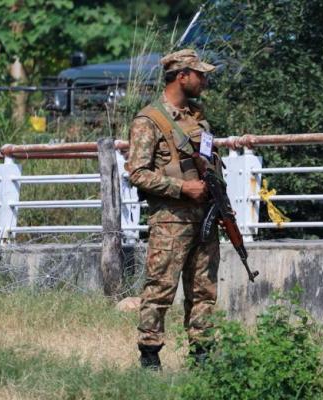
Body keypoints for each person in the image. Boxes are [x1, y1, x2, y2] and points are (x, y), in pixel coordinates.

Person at [125, 48, 222, 369]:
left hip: (204, 217)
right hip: (170, 221)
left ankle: (203, 357)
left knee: (204, 290)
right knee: (160, 289)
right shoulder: (149, 120)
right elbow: (137, 173)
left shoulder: (197, 117)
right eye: (200, 74)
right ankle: (150, 359)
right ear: (182, 76)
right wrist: (182, 187)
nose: (204, 80)